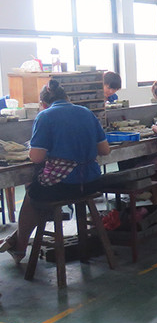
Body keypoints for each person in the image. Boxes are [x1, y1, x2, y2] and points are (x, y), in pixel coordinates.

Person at [0, 80, 110, 263]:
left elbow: (36, 157)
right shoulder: (86, 112)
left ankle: (19, 246)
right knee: (37, 190)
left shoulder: (45, 116)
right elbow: (105, 150)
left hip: (66, 186)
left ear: (43, 104)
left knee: (33, 193)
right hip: (91, 182)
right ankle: (16, 240)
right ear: (67, 97)